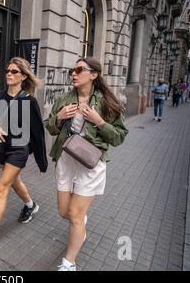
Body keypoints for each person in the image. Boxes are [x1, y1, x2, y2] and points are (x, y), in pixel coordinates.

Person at [44, 57, 128, 271]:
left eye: (79, 69)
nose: (74, 73)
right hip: (66, 161)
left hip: (91, 164)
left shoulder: (106, 102)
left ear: (93, 74)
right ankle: (80, 222)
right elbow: (50, 127)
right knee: (65, 212)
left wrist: (99, 122)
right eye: (73, 69)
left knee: (74, 215)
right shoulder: (64, 99)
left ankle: (69, 262)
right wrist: (59, 118)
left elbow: (119, 137)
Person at [0, 57, 48, 253]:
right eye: (7, 71)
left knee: (1, 186)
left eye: (14, 71)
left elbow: (38, 133)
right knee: (13, 181)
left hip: (19, 150)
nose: (9, 74)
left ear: (23, 76)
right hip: (2, 148)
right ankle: (30, 205)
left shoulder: (29, 101)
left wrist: (42, 162)